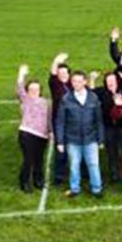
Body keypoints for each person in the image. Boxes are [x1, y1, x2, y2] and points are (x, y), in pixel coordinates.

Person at [54, 70, 105, 198]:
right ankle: (75, 189)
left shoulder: (93, 97)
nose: (76, 84)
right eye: (74, 81)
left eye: (79, 81)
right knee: (74, 165)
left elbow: (99, 120)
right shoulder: (66, 99)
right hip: (72, 139)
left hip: (91, 138)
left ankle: (97, 189)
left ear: (85, 82)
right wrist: (60, 141)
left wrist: (101, 139)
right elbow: (60, 121)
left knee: (93, 164)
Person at [15, 64, 52, 193]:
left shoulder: (46, 102)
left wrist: (51, 131)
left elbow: (49, 118)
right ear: (28, 90)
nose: (34, 91)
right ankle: (24, 182)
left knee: (39, 159)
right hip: (27, 133)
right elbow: (19, 89)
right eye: (31, 89)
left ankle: (38, 181)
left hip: (42, 135)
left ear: (40, 90)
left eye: (36, 89)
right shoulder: (26, 99)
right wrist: (22, 73)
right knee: (28, 159)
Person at [47, 53, 72, 184]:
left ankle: (77, 173)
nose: (63, 75)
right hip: (59, 122)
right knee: (60, 150)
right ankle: (59, 176)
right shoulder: (55, 85)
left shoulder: (73, 85)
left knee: (73, 148)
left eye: (65, 73)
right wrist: (56, 60)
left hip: (73, 122)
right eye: (60, 73)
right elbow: (52, 74)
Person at [99, 72, 122, 184]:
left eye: (112, 80)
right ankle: (114, 174)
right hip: (108, 126)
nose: (110, 83)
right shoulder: (102, 92)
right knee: (111, 151)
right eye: (108, 81)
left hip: (121, 126)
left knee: (121, 150)